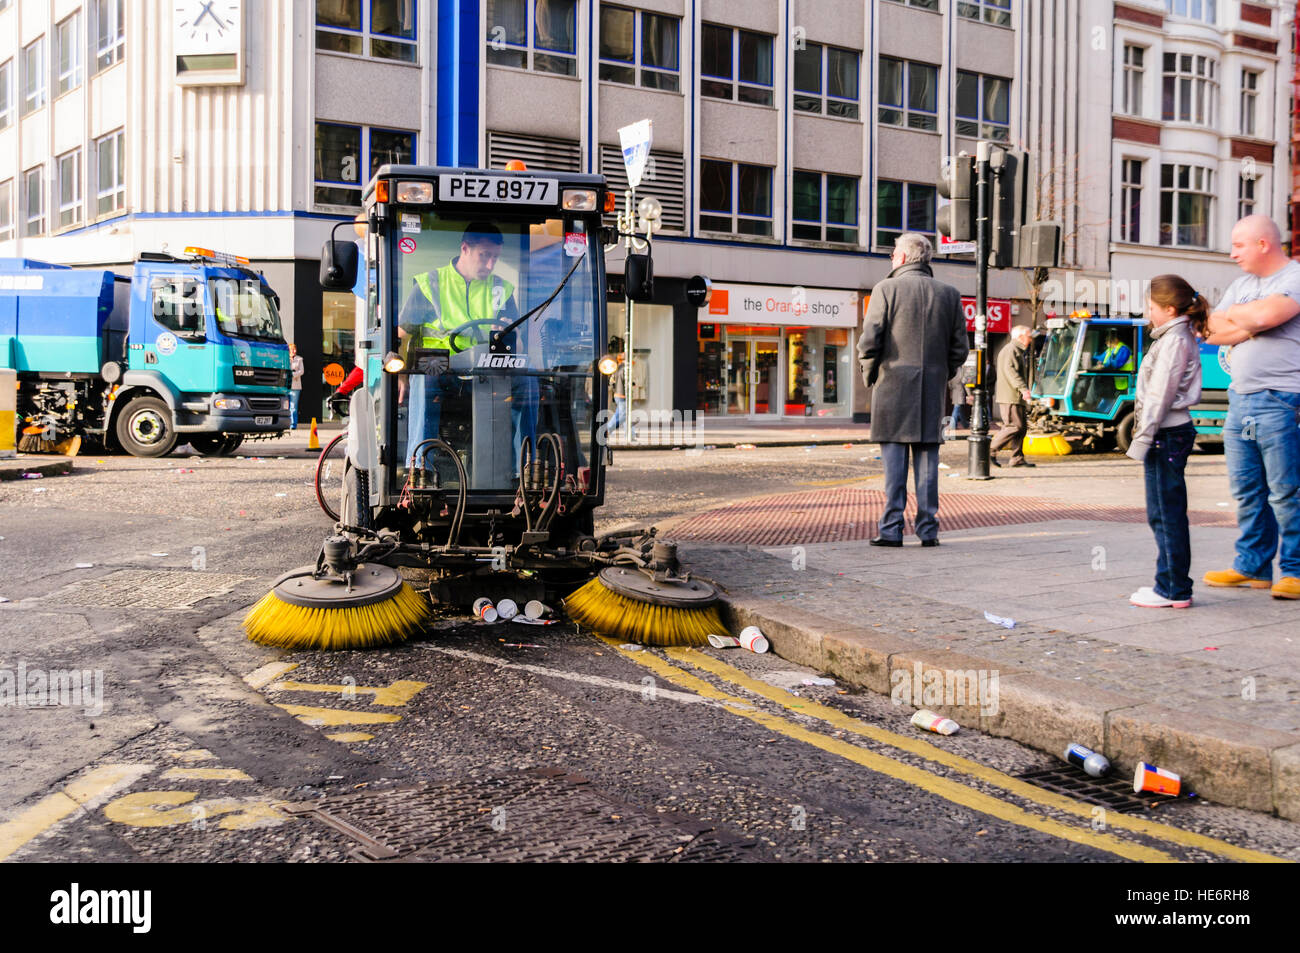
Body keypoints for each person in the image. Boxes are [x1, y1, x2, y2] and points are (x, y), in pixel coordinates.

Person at [1202, 214, 1300, 600]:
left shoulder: (1294, 278)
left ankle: (1293, 570)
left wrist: (1246, 320)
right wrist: (1254, 323)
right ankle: (1253, 567)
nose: (1232, 254)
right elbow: (1210, 329)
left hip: (1279, 398)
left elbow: (1264, 315)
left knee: (1286, 491)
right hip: (1240, 398)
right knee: (1246, 489)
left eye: (1239, 245)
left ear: (1263, 244)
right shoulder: (1244, 284)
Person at [857, 233, 969, 547]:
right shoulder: (949, 294)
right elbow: (960, 348)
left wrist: (871, 376)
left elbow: (869, 342)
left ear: (903, 258)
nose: (891, 259)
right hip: (931, 391)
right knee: (928, 465)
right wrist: (940, 373)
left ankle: (891, 529)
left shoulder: (885, 289)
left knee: (894, 469)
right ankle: (928, 529)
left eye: (893, 254)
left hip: (892, 388)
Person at [396, 223, 519, 470]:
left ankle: (524, 469)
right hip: (440, 365)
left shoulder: (500, 288)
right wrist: (400, 376)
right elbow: (401, 334)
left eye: (495, 257)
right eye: (485, 255)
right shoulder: (431, 284)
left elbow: (516, 337)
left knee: (529, 383)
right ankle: (421, 470)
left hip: (485, 368)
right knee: (425, 377)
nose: (490, 264)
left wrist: (506, 334)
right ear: (465, 249)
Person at [1127, 276, 1207, 609]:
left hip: (1166, 434)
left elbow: (1160, 395)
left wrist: (1141, 440)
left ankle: (1173, 588)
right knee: (1166, 512)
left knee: (1165, 514)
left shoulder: (1174, 341)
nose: (1149, 313)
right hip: (1169, 433)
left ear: (1169, 309)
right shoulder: (1176, 337)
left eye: (1152, 307)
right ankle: (1172, 585)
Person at [990, 325, 1035, 467]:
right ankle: (989, 450)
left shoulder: (1016, 350)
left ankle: (1017, 458)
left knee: (1021, 428)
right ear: (1020, 337)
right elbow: (1011, 372)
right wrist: (1023, 389)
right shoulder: (1011, 350)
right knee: (1013, 426)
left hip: (1015, 396)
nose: (1031, 339)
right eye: (1029, 336)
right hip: (1010, 396)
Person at [288, 343, 304, 430]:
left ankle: (293, 425)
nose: (294, 351)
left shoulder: (299, 359)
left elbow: (301, 371)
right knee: (285, 406)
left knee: (293, 407)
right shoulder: (285, 358)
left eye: (295, 349)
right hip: (286, 386)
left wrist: (293, 374)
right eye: (292, 349)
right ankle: (285, 423)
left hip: (295, 387)